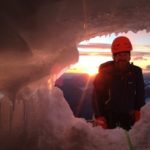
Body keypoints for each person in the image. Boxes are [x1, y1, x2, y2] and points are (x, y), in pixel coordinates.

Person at [92, 36, 145, 130]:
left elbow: (140, 95)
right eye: (119, 55)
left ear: (129, 56)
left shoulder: (136, 72)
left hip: (129, 119)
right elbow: (97, 96)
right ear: (114, 57)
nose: (122, 58)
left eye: (125, 54)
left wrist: (138, 112)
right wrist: (100, 117)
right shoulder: (105, 73)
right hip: (109, 119)